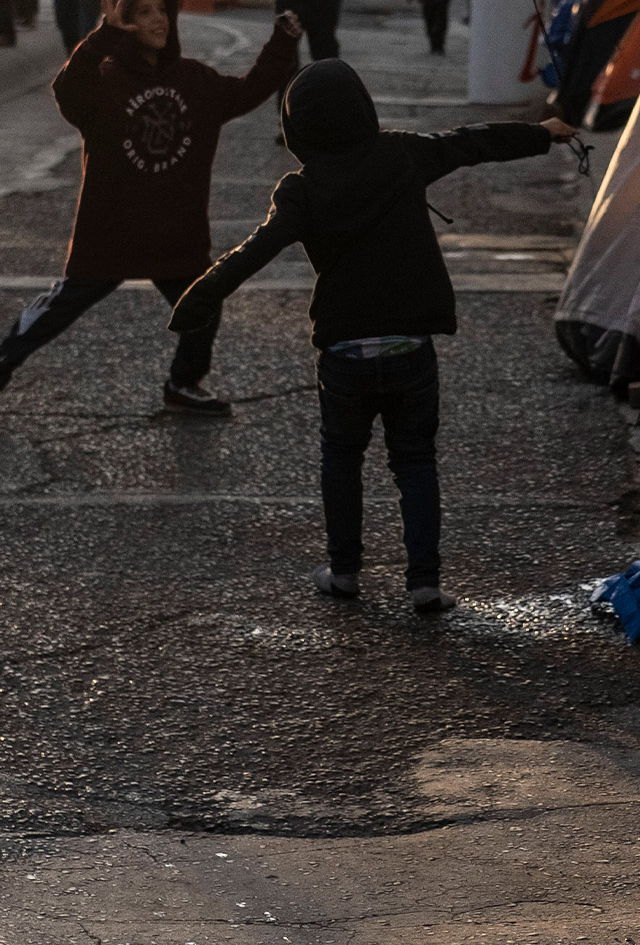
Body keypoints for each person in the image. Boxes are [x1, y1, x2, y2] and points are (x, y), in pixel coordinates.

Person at [168, 57, 577, 609]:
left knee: (341, 457)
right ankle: (425, 582)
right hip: (410, 343)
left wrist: (201, 295)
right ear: (362, 108)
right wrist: (542, 134)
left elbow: (254, 251)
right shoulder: (400, 155)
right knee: (414, 462)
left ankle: (344, 573)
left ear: (297, 130)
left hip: (344, 350)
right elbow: (469, 142)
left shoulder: (301, 190)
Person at [0, 0, 300, 413]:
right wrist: (103, 35)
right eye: (143, 12)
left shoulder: (194, 80)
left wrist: (282, 42)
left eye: (162, 9)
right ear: (123, 21)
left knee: (203, 304)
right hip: (112, 230)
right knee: (60, 308)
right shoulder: (103, 84)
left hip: (174, 231)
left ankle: (183, 384)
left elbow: (249, 91)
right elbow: (66, 89)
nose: (157, 20)